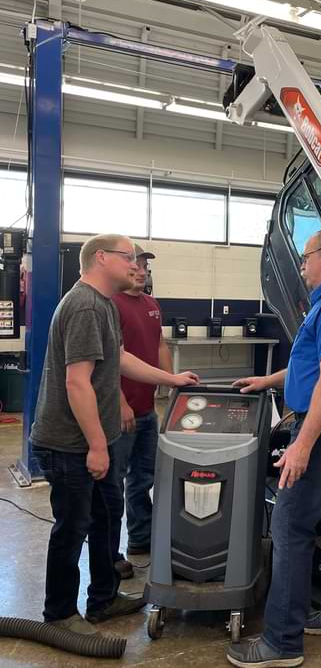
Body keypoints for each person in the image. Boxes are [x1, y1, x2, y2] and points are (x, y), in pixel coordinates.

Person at [30, 234, 199, 635]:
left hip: (91, 441)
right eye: (129, 258)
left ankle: (103, 598)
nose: (137, 266)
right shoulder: (85, 305)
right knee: (71, 528)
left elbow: (121, 358)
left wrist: (170, 378)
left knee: (104, 518)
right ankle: (59, 615)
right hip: (68, 444)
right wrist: (96, 445)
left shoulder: (103, 304)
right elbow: (77, 383)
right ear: (101, 258)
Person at [226, 228, 321, 668]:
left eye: (307, 256)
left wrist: (302, 445)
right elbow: (309, 365)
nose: (302, 265)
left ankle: (282, 643)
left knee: (290, 524)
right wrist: (269, 382)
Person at [111, 243, 171, 579]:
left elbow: (160, 344)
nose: (141, 271)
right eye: (135, 265)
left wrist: (172, 384)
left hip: (148, 410)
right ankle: (110, 552)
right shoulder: (111, 305)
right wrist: (120, 402)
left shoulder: (151, 304)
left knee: (144, 479)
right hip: (122, 412)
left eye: (145, 266)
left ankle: (140, 538)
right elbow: (110, 361)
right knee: (113, 483)